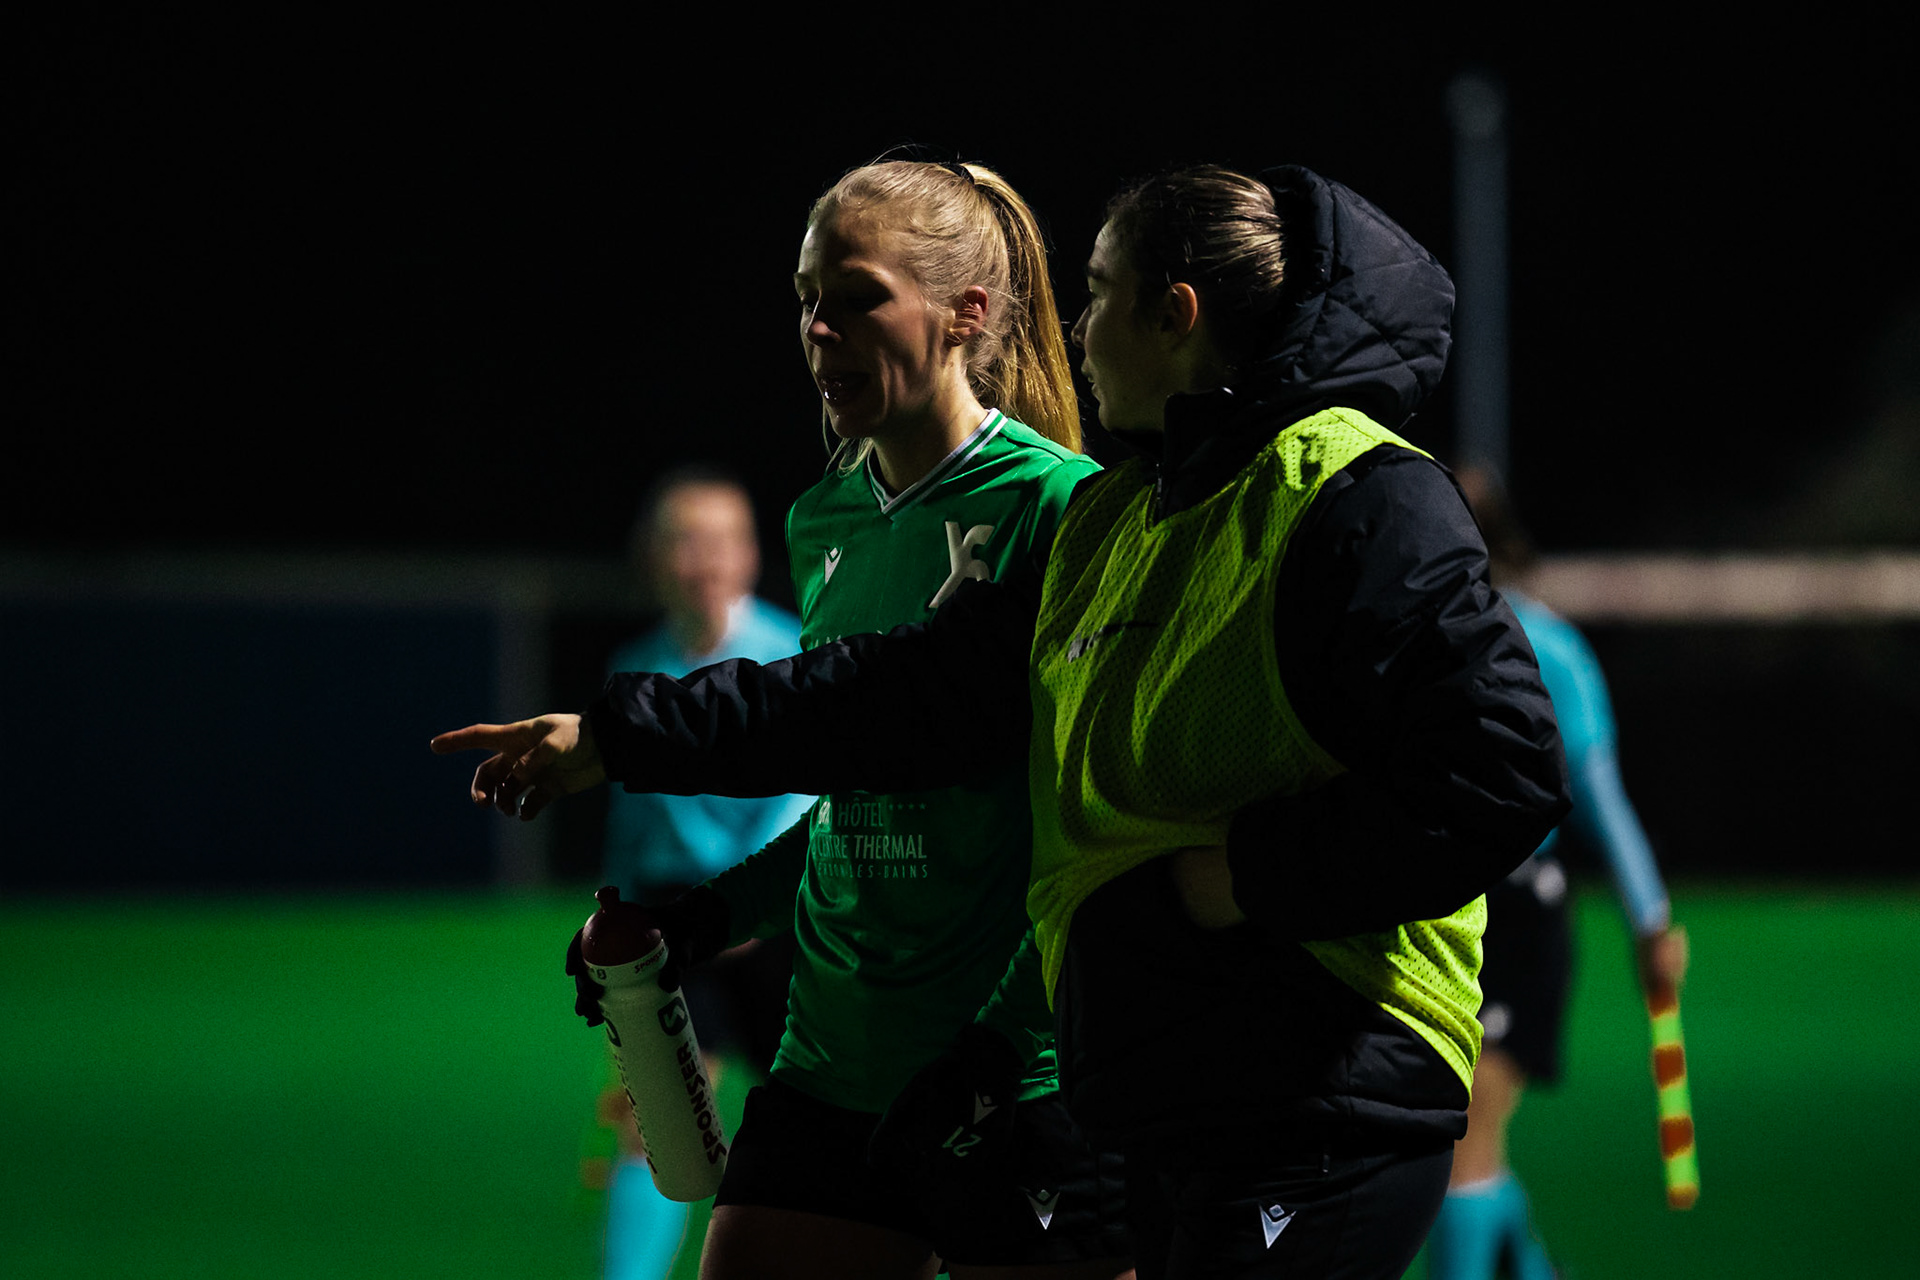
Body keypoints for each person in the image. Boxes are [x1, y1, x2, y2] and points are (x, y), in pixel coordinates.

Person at [436, 163, 1570, 1280]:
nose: (1074, 327)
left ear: (1167, 314)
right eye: (804, 297)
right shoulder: (1090, 514)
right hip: (993, 1063)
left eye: (1100, 290)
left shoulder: (1270, 491)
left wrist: (1205, 892)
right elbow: (883, 728)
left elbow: (1492, 775)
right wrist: (680, 862)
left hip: (1198, 1075)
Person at [464, 158, 1132, 1280]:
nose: (819, 326)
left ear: (968, 312)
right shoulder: (826, 515)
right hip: (829, 1068)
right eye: (806, 296)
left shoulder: (1062, 507)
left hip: (1010, 1083)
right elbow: (855, 801)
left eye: (857, 293)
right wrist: (701, 920)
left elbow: (1101, 842)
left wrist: (994, 1055)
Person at [1422, 470, 1689, 1280]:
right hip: (1430, 920)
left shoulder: (1549, 649)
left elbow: (1599, 798)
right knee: (1458, 1151)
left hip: (1516, 924)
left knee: (1462, 1147)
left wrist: (1650, 920)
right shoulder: (1399, 642)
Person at [587, 467, 814, 1280]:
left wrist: (742, 903)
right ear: (651, 557)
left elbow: (804, 790)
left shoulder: (790, 650)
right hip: (667, 924)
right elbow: (629, 813)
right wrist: (606, 921)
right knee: (657, 1117)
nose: (704, 558)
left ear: (751, 554)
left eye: (722, 539)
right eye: (685, 539)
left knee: (813, 1116)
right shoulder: (635, 666)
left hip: (777, 914)